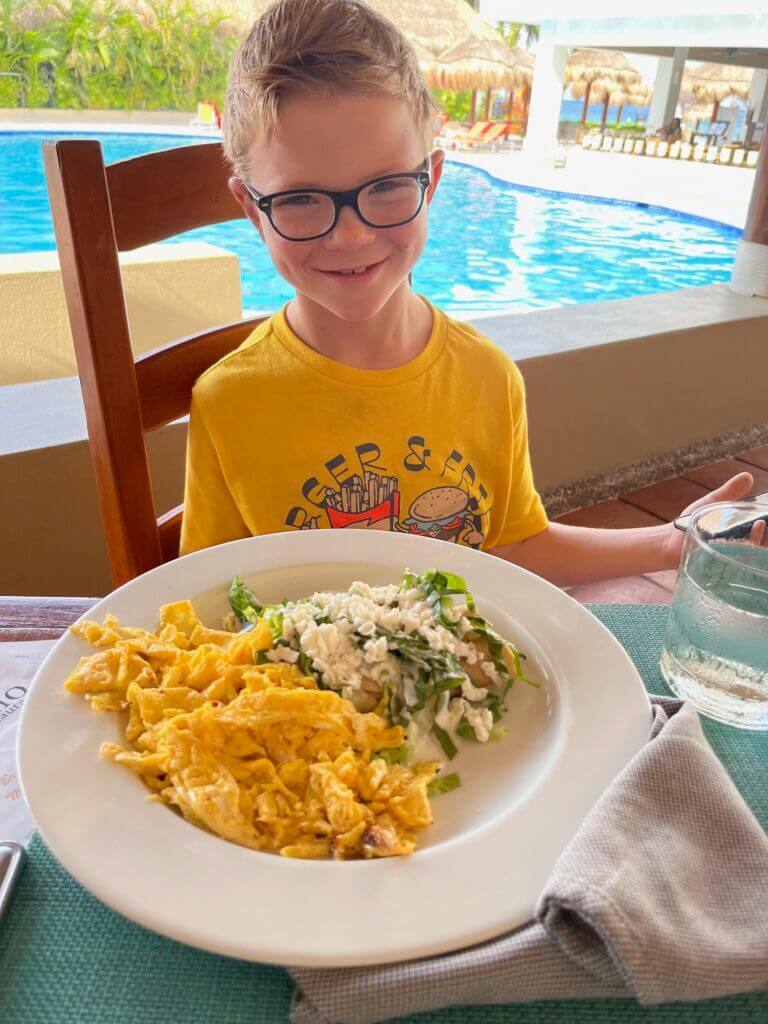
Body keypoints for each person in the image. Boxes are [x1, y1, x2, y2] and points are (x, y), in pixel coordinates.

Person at [179, 0, 754, 587]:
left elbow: (515, 546)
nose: (350, 235)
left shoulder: (487, 377)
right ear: (252, 209)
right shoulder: (229, 402)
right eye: (300, 199)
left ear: (432, 179)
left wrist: (667, 542)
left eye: (387, 187)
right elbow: (205, 593)